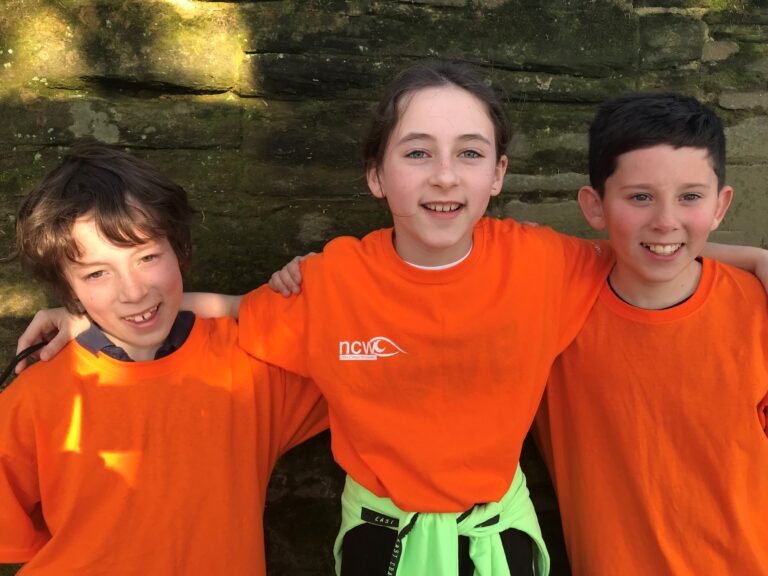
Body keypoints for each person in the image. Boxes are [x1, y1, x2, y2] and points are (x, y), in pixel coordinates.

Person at [14, 65, 768, 576]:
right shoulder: (333, 278)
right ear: (377, 175)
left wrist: (756, 258)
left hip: (497, 540)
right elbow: (243, 314)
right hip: (383, 540)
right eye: (418, 152)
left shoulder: (546, 263)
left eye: (469, 152)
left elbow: (646, 245)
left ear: (498, 174)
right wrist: (89, 320)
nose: (445, 174)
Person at [0, 145, 327, 575]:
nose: (132, 291)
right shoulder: (34, 398)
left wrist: (323, 280)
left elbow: (375, 340)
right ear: (67, 288)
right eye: (97, 273)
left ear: (180, 248)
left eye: (148, 257)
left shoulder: (250, 363)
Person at [531, 93, 768, 575]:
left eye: (690, 196)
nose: (665, 220)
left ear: (721, 204)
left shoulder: (756, 308)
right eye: (640, 196)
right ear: (594, 206)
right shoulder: (549, 306)